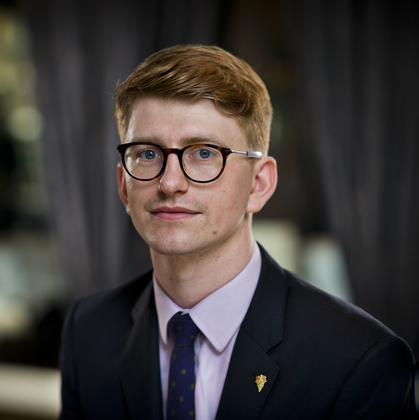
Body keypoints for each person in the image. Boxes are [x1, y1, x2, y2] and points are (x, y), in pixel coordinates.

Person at [59, 45, 416, 419]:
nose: (169, 182)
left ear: (258, 185)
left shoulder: (358, 359)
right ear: (123, 186)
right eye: (148, 154)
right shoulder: (88, 330)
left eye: (203, 153)